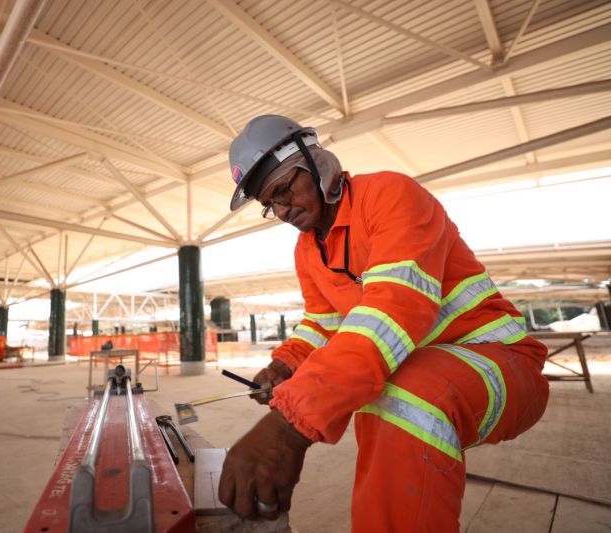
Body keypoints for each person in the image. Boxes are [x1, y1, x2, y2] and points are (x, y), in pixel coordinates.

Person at [218, 115, 550, 531]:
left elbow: (394, 312)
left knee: (401, 396)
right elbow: (322, 325)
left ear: (318, 162)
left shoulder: (390, 195)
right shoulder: (308, 251)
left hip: (501, 363)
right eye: (271, 204)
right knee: (389, 390)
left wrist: (290, 427)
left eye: (284, 190)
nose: (283, 210)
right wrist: (285, 366)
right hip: (433, 365)